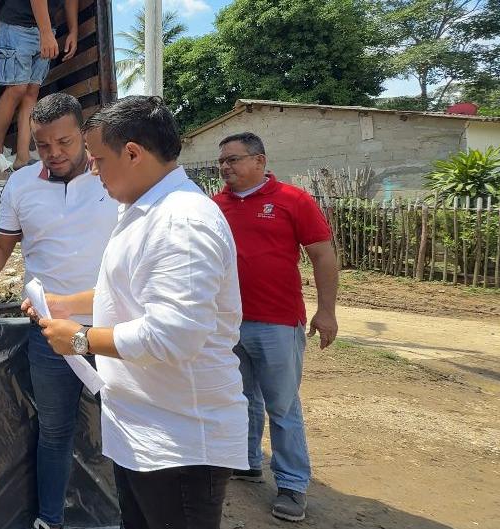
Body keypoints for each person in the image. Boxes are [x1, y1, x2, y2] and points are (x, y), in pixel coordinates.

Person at [29, 96, 248, 529]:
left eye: (98, 160)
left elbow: (172, 336)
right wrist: (63, 305)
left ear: (133, 153)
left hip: (179, 443)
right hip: (145, 431)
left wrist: (79, 339)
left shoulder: (181, 223)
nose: (93, 170)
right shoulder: (144, 211)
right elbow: (126, 292)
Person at [0, 92, 118, 529]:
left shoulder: (113, 179)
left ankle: (131, 514)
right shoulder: (21, 185)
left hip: (116, 329)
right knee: (54, 431)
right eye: (43, 144)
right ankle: (49, 520)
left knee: (128, 426)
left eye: (65, 142)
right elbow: (1, 246)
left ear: (84, 135)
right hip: (50, 333)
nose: (54, 153)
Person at [211, 132, 339, 523]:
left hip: (279, 323)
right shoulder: (215, 206)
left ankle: (292, 484)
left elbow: (322, 254)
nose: (226, 167)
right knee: (240, 399)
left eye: (233, 160)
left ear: (260, 161)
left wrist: (327, 311)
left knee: (282, 406)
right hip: (229, 324)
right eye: (223, 161)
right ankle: (247, 461)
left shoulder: (293, 201)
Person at [0, 0, 79, 168]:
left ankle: (22, 157)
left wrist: (73, 31)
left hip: (46, 29)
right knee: (17, 88)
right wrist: (45, 33)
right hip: (17, 25)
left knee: (32, 92)